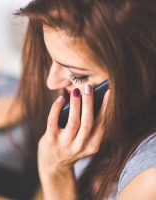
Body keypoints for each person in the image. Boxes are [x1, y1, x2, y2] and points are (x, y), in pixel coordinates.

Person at [16, 0, 156, 199]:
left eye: (78, 76)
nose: (50, 82)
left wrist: (55, 175)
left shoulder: (150, 181)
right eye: (52, 59)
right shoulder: (105, 120)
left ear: (140, 78)